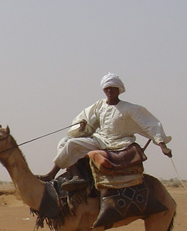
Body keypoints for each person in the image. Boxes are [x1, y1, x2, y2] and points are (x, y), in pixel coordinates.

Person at [40, 73, 173, 190]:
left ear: (118, 90)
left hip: (118, 144)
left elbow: (149, 124)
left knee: (72, 145)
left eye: (112, 88)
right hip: (100, 140)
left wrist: (163, 145)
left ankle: (51, 174)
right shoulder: (99, 105)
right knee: (64, 141)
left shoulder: (129, 108)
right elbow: (86, 119)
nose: (109, 90)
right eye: (107, 88)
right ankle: (76, 175)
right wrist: (81, 126)